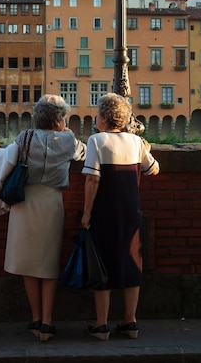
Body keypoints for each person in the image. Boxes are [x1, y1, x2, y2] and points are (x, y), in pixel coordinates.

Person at [0, 94, 86, 341]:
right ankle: (48, 323)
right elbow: (84, 155)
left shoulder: (25, 137)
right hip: (52, 203)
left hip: (25, 203)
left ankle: (36, 318)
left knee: (29, 265)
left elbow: (4, 161)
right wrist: (67, 133)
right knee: (48, 265)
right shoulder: (69, 140)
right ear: (60, 119)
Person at [81, 93, 160, 341]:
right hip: (131, 211)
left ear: (103, 118)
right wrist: (145, 148)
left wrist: (86, 214)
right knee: (132, 263)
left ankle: (102, 325)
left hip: (105, 212)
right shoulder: (136, 142)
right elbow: (153, 169)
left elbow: (93, 178)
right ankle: (130, 322)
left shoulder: (96, 140)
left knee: (102, 265)